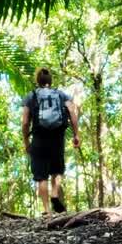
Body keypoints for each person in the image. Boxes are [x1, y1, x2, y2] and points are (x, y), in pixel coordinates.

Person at [21, 68, 80, 215]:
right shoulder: (61, 94)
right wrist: (76, 134)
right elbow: (72, 113)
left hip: (39, 137)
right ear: (50, 81)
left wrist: (26, 141)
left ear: (37, 81)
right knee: (57, 170)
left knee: (41, 176)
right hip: (57, 136)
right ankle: (54, 193)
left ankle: (47, 211)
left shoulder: (31, 96)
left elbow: (25, 122)